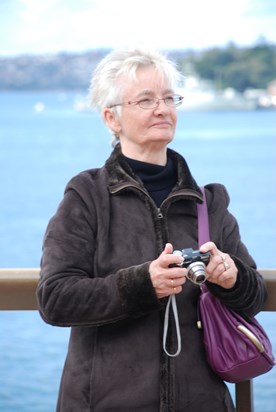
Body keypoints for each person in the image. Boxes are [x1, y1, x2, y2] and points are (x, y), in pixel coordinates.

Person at [36, 47, 267, 412]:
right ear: (112, 117)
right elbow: (55, 299)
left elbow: (255, 297)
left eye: (168, 98)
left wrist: (232, 278)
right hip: (103, 403)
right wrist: (142, 284)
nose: (163, 109)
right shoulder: (87, 196)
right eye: (146, 100)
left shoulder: (208, 202)